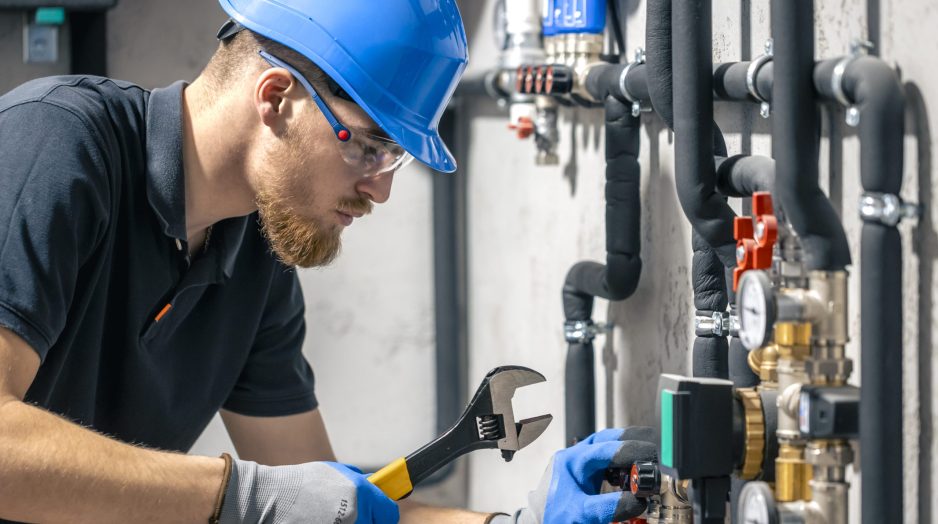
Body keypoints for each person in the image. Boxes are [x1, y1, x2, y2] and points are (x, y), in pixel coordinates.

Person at [0, 1, 655, 522]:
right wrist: (239, 499)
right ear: (276, 97)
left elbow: (330, 510)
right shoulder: (55, 147)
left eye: (393, 157)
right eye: (371, 146)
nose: (381, 188)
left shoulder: (253, 258)